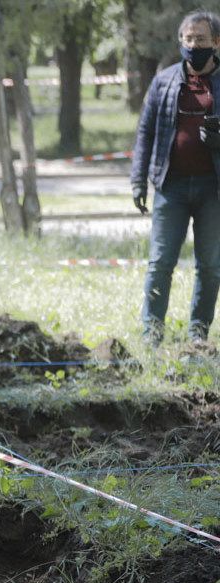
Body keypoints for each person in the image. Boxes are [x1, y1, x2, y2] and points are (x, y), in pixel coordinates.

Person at [131, 10, 220, 345]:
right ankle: (151, 333)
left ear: (216, 43)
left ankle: (198, 333)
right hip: (171, 186)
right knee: (160, 263)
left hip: (214, 189)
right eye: (188, 38)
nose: (194, 44)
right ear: (181, 41)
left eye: (201, 39)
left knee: (211, 266)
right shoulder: (164, 80)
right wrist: (138, 179)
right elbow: (145, 132)